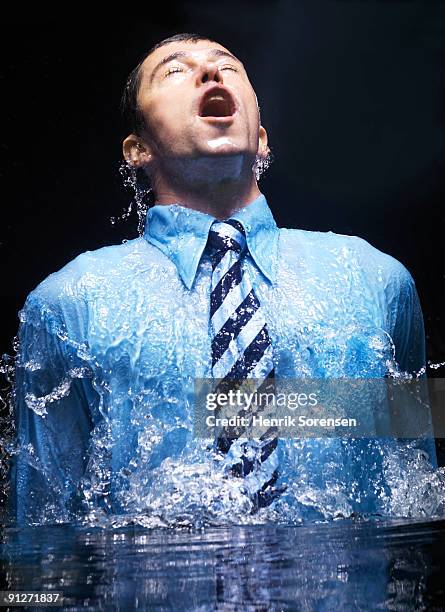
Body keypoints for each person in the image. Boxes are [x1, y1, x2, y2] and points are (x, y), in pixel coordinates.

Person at [9, 33, 437, 526]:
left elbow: (415, 495)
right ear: (137, 149)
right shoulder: (68, 305)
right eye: (174, 71)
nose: (210, 74)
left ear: (261, 138)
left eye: (227, 67)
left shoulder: (377, 283)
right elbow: (41, 533)